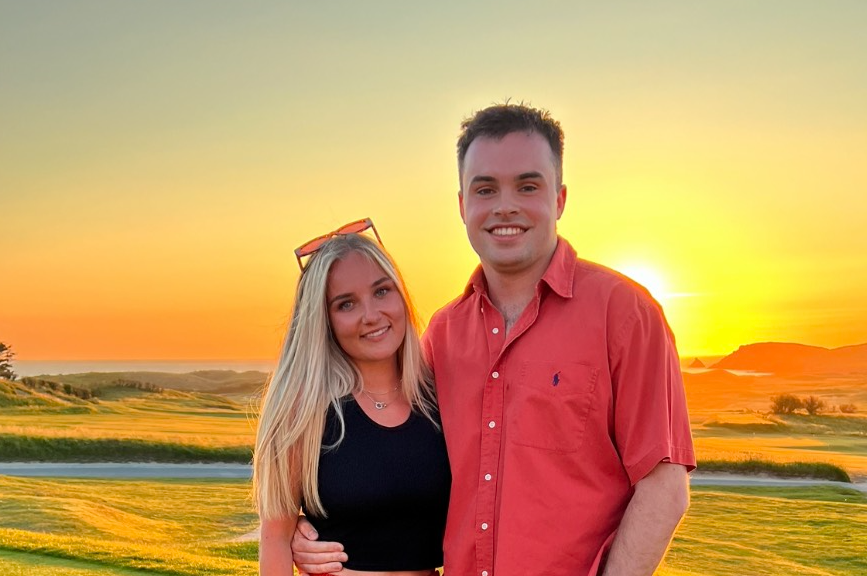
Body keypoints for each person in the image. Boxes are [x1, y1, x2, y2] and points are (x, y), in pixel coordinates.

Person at [292, 104, 696, 576]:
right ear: (462, 205)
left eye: (528, 186)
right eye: (486, 189)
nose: (505, 206)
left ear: (560, 199)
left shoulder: (625, 314)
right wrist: (309, 529)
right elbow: (391, 458)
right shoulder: (440, 337)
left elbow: (664, 486)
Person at [254, 220, 450, 576]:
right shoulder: (304, 411)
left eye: (381, 291)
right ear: (323, 319)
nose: (371, 315)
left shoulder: (439, 398)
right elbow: (275, 540)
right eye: (346, 305)